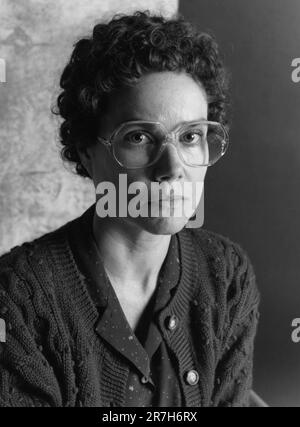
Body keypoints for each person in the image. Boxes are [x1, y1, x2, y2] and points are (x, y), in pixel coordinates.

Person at [0, 10, 260, 407]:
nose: (172, 169)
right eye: (139, 137)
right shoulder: (18, 297)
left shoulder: (226, 276)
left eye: (191, 136)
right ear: (87, 151)